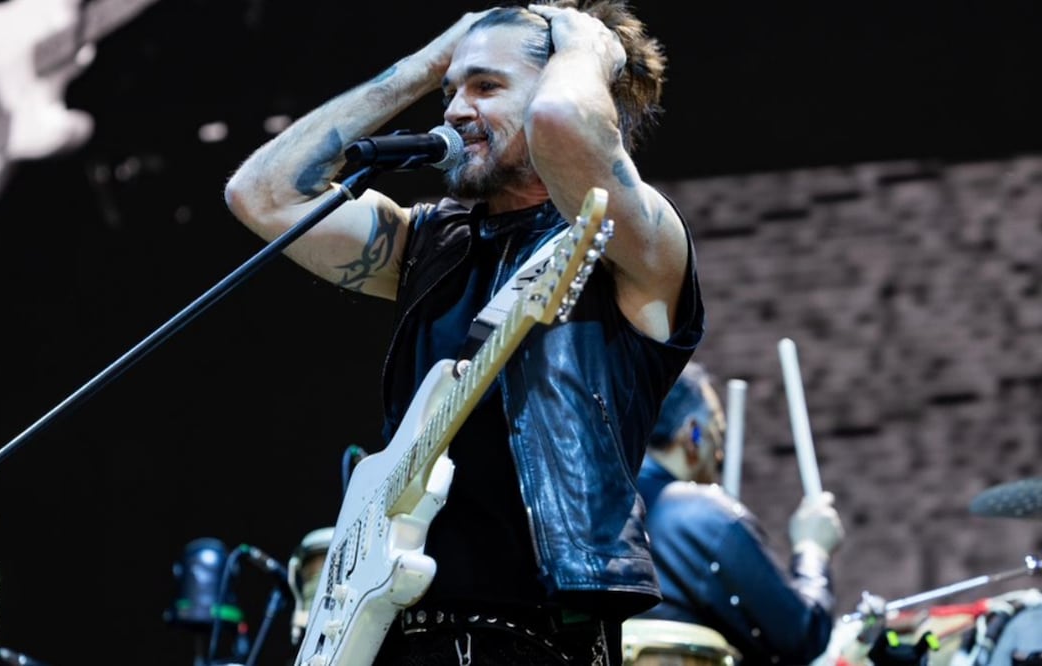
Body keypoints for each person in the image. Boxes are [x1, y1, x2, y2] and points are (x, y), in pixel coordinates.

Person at [224, 1, 704, 663]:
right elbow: (264, 195)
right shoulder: (429, 243)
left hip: (536, 637)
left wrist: (586, 46)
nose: (451, 109)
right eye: (451, 89)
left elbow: (560, 122)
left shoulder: (632, 241)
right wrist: (427, 64)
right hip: (395, 628)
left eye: (485, 87)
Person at [636, 362, 846, 665]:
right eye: (716, 437)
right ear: (692, 435)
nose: (719, 457)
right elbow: (800, 635)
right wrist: (812, 549)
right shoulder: (703, 515)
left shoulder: (590, 505)